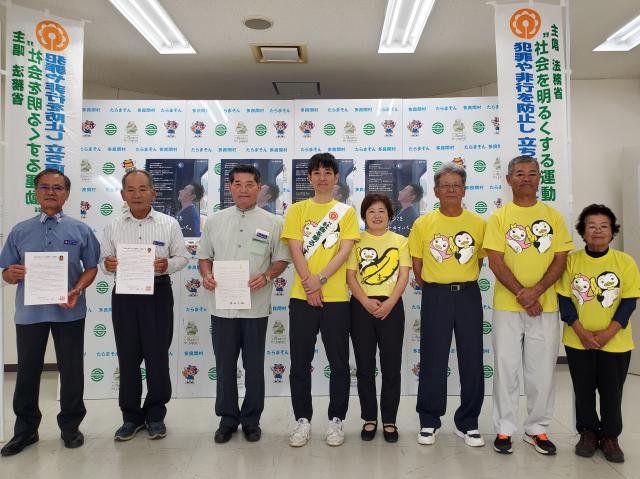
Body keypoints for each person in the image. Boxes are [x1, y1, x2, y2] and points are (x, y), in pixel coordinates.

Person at [0, 168, 100, 456]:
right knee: (27, 372)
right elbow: (6, 271)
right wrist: (10, 274)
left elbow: (91, 267)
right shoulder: (20, 230)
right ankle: (25, 430)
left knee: (71, 371)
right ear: (36, 192)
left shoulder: (80, 230)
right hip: (30, 313)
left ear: (66, 194)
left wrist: (77, 288)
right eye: (44, 187)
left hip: (69, 312)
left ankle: (70, 427)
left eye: (57, 188)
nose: (50, 192)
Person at [484, 155, 574, 455]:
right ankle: (504, 428)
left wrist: (535, 292)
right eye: (520, 173)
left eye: (532, 173)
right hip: (507, 306)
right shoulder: (500, 217)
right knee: (506, 369)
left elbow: (560, 259)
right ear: (509, 179)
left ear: (539, 179)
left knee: (542, 371)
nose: (526, 178)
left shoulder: (553, 216)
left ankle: (537, 429)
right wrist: (523, 294)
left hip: (545, 307)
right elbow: (495, 261)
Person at [198, 165, 290, 444]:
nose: (243, 189)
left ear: (259, 188)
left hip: (255, 307)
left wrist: (267, 276)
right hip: (222, 307)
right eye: (237, 184)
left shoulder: (273, 222)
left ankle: (251, 420)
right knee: (224, 366)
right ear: (230, 187)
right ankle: (227, 419)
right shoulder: (214, 221)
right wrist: (206, 275)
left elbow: (281, 259)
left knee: (254, 366)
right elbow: (204, 257)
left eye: (250, 184)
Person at [100, 170, 188, 441]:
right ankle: (131, 417)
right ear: (123, 194)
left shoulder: (168, 224)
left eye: (142, 189)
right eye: (130, 190)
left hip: (158, 294)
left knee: (157, 356)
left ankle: (155, 415)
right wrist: (108, 264)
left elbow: (183, 257)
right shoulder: (113, 225)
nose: (136, 195)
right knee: (127, 357)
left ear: (153, 192)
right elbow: (104, 262)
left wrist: (166, 265)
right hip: (125, 295)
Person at [281, 152, 359, 447]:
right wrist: (310, 286)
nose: (322, 177)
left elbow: (344, 251)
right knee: (299, 362)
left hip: (337, 298)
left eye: (328, 172)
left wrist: (321, 280)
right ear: (309, 178)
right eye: (317, 173)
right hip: (302, 297)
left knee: (339, 362)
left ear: (337, 177)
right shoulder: (297, 210)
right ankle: (302, 420)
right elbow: (295, 249)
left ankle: (336, 420)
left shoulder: (346, 212)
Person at [408, 163, 486, 447]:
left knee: (472, 359)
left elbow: (479, 260)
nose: (451, 190)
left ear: (464, 190)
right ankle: (429, 420)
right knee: (433, 359)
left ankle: (468, 422)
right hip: (436, 296)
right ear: (436, 191)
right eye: (446, 185)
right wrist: (438, 283)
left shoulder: (478, 223)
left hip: (468, 295)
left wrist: (459, 279)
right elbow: (418, 265)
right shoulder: (423, 223)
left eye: (456, 185)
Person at [556, 204, 640, 463]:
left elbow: (629, 302)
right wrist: (581, 331)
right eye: (591, 226)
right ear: (583, 232)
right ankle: (588, 433)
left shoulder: (625, 262)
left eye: (604, 226)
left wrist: (607, 334)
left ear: (612, 231)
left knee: (612, 392)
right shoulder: (571, 261)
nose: (598, 231)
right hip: (577, 341)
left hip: (615, 343)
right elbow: (564, 300)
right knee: (583, 390)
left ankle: (610, 437)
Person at [346, 193, 410, 443]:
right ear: (364, 215)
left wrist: (390, 303)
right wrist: (365, 301)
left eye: (381, 211)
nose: (376, 215)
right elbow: (351, 276)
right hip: (361, 307)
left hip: (392, 307)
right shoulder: (355, 241)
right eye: (371, 211)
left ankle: (390, 420)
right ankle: (369, 418)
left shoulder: (400, 241)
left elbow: (403, 275)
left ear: (389, 215)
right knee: (364, 367)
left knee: (391, 367)